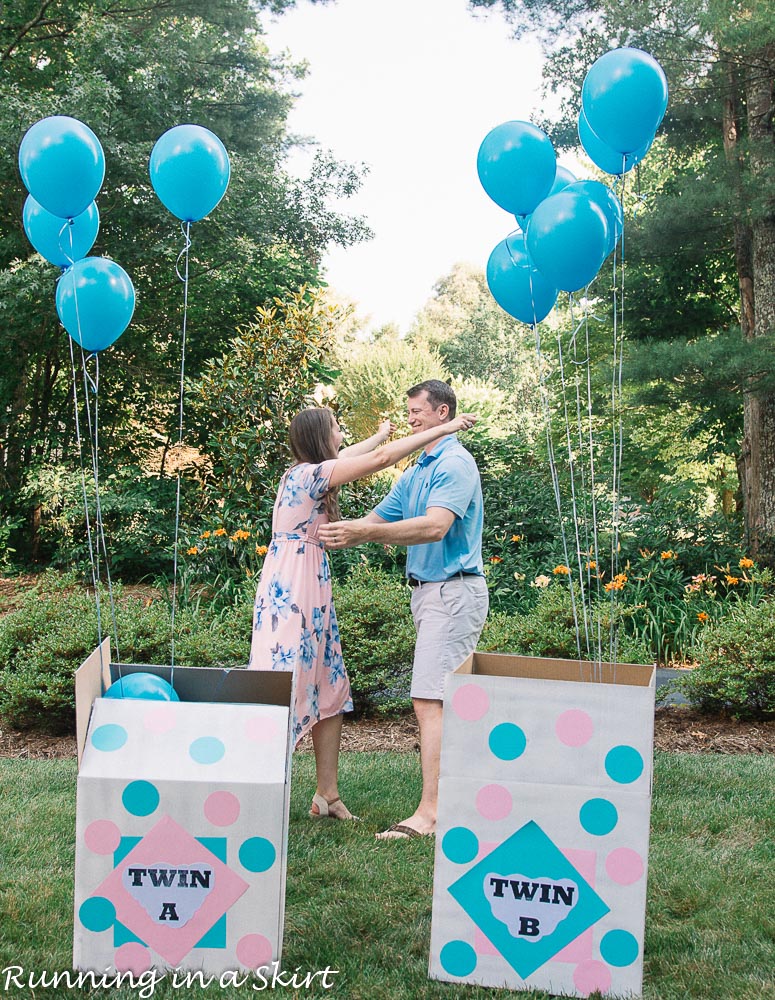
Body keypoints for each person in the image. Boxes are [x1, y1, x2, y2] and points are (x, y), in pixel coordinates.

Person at [248, 404, 477, 821]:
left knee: (329, 686)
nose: (342, 435)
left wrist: (383, 433)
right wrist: (443, 429)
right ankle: (256, 797)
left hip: (310, 584)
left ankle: (327, 796)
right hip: (292, 590)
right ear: (321, 437)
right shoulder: (306, 474)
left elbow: (360, 452)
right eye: (337, 428)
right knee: (285, 684)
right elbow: (377, 461)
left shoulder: (316, 470)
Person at [319, 379, 488, 839]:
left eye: (417, 412)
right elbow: (374, 519)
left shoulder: (455, 463)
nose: (411, 419)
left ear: (444, 413)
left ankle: (430, 815)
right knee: (437, 699)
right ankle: (454, 800)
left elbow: (435, 527)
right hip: (429, 596)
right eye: (409, 412)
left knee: (429, 700)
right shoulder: (418, 469)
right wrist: (325, 529)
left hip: (453, 593)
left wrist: (362, 534)